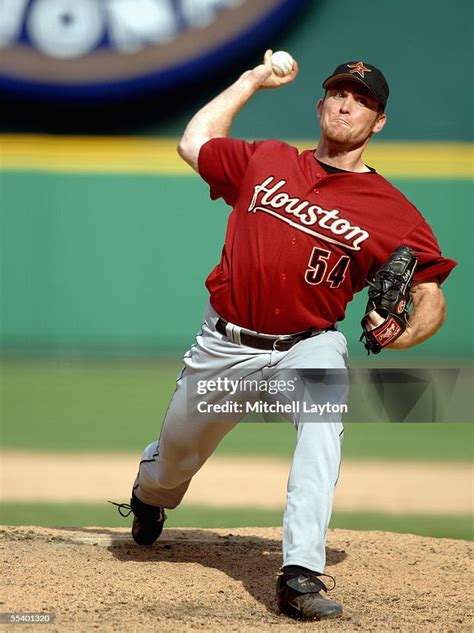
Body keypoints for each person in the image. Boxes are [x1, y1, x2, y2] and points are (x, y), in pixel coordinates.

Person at [118, 51, 456, 621]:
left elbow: (431, 296)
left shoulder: (393, 212)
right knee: (173, 462)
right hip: (223, 347)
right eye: (340, 93)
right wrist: (252, 80)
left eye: (364, 100)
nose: (348, 103)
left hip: (307, 344)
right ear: (321, 104)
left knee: (323, 428)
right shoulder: (266, 159)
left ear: (379, 123)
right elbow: (193, 141)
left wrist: (401, 337)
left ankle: (299, 575)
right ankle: (150, 497)